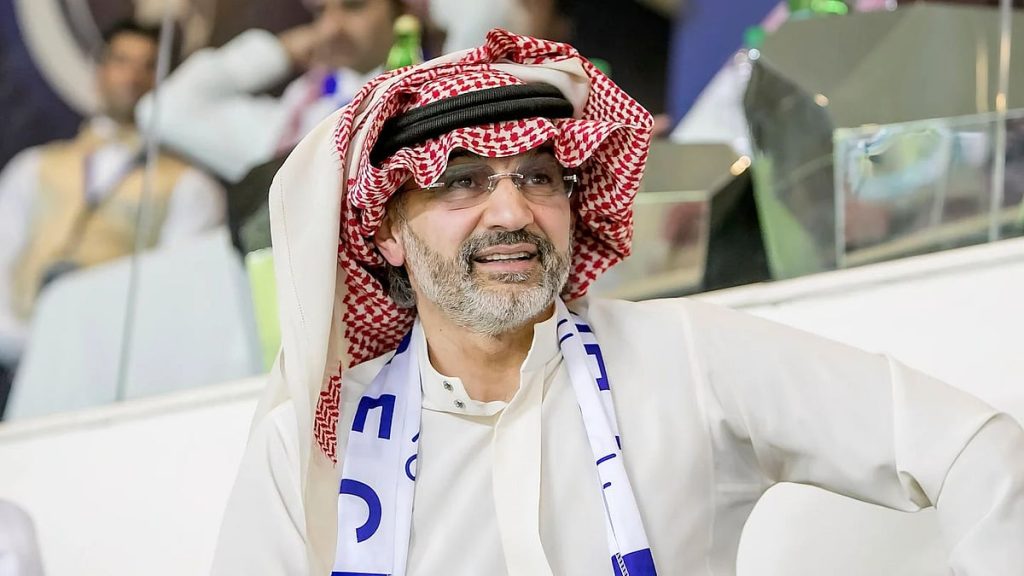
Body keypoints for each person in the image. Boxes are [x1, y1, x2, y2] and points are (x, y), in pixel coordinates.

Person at [211, 30, 1024, 575]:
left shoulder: (687, 358)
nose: (512, 211)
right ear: (387, 231)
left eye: (538, 177)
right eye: (462, 182)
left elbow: (973, 447)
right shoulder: (311, 446)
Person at [0, 19, 225, 408]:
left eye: (148, 65)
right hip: (16, 362)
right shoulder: (32, 167)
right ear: (99, 71)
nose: (132, 76)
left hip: (114, 379)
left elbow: (177, 297)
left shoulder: (190, 186)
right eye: (121, 61)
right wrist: (23, 343)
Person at [136, 0, 404, 184]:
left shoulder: (415, 96)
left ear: (402, 12)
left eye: (354, 6)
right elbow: (161, 110)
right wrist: (282, 50)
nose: (332, 28)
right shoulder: (295, 116)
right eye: (321, 11)